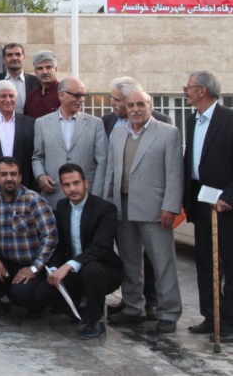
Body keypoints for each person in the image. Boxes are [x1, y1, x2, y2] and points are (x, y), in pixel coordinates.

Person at [104, 90, 183, 334]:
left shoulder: (168, 132)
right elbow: (111, 170)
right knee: (129, 261)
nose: (135, 109)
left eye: (140, 104)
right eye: (130, 105)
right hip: (123, 205)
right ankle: (133, 308)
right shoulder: (119, 132)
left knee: (162, 262)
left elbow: (174, 174)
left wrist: (170, 206)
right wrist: (108, 202)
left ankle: (169, 312)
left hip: (156, 209)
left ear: (150, 106)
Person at [38, 164, 123, 340]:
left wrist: (68, 266)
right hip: (75, 272)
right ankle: (79, 310)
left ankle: (96, 321)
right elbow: (61, 244)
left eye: (76, 183)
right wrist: (54, 268)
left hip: (104, 271)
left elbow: (99, 248)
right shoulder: (62, 206)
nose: (72, 189)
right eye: (67, 185)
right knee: (42, 293)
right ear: (62, 187)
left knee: (91, 269)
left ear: (85, 184)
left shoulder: (106, 209)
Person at [183, 70, 233, 341]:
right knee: (205, 263)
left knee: (229, 264)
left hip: (225, 206)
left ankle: (229, 321)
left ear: (202, 90)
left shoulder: (229, 119)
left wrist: (229, 196)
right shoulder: (192, 120)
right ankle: (211, 316)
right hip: (201, 202)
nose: (186, 92)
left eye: (188, 88)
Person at [0, 157, 57, 318]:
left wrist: (34, 268)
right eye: (4, 174)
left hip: (32, 263)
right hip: (5, 262)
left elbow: (50, 237)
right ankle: (0, 301)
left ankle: (36, 306)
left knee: (22, 294)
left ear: (20, 177)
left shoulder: (34, 200)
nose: (9, 178)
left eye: (13, 174)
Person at [31, 76, 108, 204]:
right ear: (61, 95)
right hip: (54, 195)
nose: (82, 100)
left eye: (84, 95)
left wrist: (96, 196)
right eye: (77, 95)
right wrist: (40, 176)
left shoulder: (96, 124)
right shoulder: (41, 123)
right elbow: (38, 157)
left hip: (87, 197)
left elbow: (102, 162)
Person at [0, 43, 40, 115]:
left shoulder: (36, 82)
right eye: (10, 55)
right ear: (3, 59)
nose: (14, 58)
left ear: (24, 58)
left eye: (18, 54)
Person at [24, 50, 60, 119]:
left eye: (48, 67)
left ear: (55, 70)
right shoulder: (32, 95)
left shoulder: (63, 92)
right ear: (35, 72)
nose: (44, 72)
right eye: (40, 68)